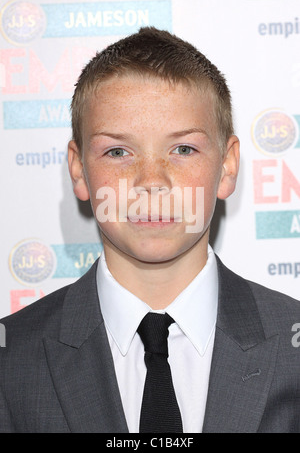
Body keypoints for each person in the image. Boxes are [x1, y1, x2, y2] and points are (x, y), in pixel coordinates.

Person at [0, 27, 299, 434]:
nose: (151, 181)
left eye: (183, 149)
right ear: (78, 169)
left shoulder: (292, 345)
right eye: (118, 152)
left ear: (227, 167)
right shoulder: (10, 360)